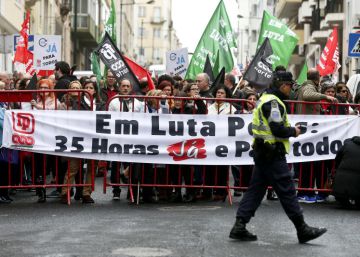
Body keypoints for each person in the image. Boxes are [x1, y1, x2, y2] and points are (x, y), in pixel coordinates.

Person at [229, 71, 327, 243]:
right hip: (272, 154)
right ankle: (302, 228)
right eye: (290, 85)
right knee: (288, 191)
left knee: (255, 191)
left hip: (263, 152)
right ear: (283, 85)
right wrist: (294, 131)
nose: (291, 89)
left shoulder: (265, 99)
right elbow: (277, 129)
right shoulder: (274, 103)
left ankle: (239, 225)